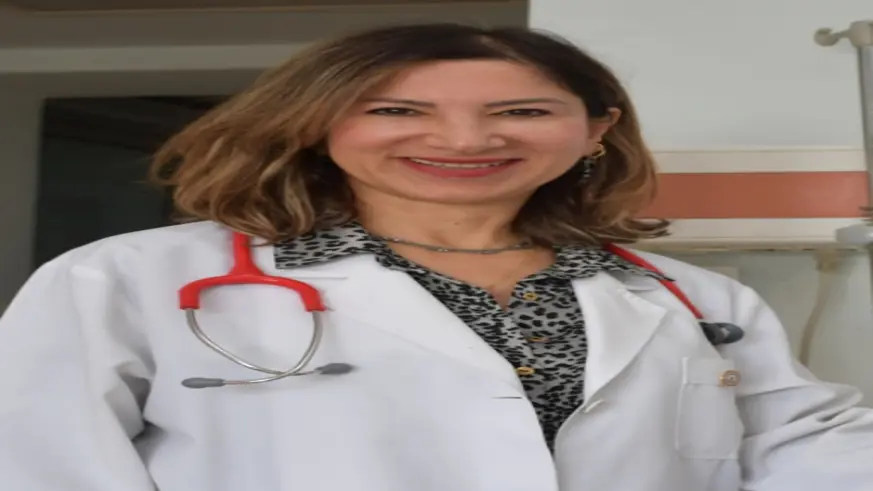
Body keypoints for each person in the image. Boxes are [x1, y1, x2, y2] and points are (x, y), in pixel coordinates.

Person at [0, 23, 871, 491]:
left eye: (523, 112)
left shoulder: (687, 297)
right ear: (316, 125)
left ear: (594, 130)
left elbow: (802, 446)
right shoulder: (125, 280)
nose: (464, 140)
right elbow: (42, 464)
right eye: (396, 111)